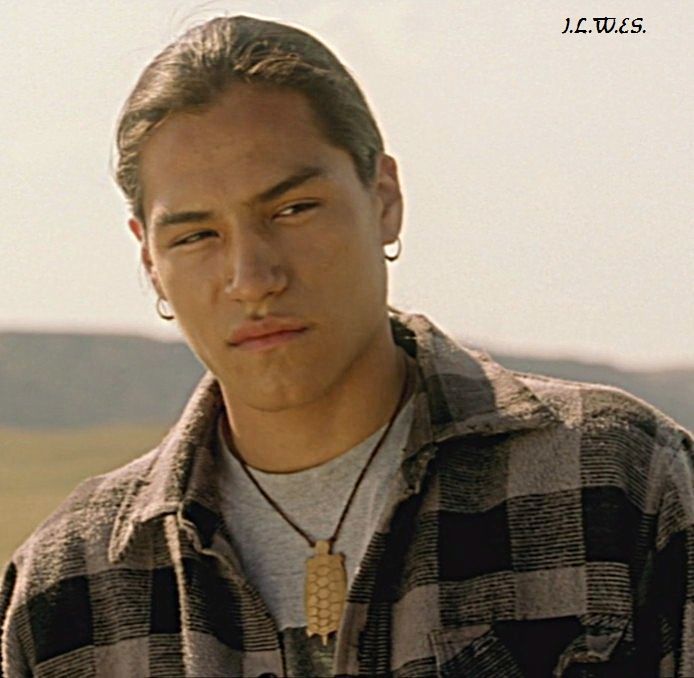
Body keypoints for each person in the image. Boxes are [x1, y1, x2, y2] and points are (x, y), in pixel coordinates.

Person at [1, 15, 692, 678]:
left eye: (292, 210)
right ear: (150, 260)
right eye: (195, 236)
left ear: (383, 197)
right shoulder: (69, 587)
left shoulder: (617, 481)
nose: (253, 279)